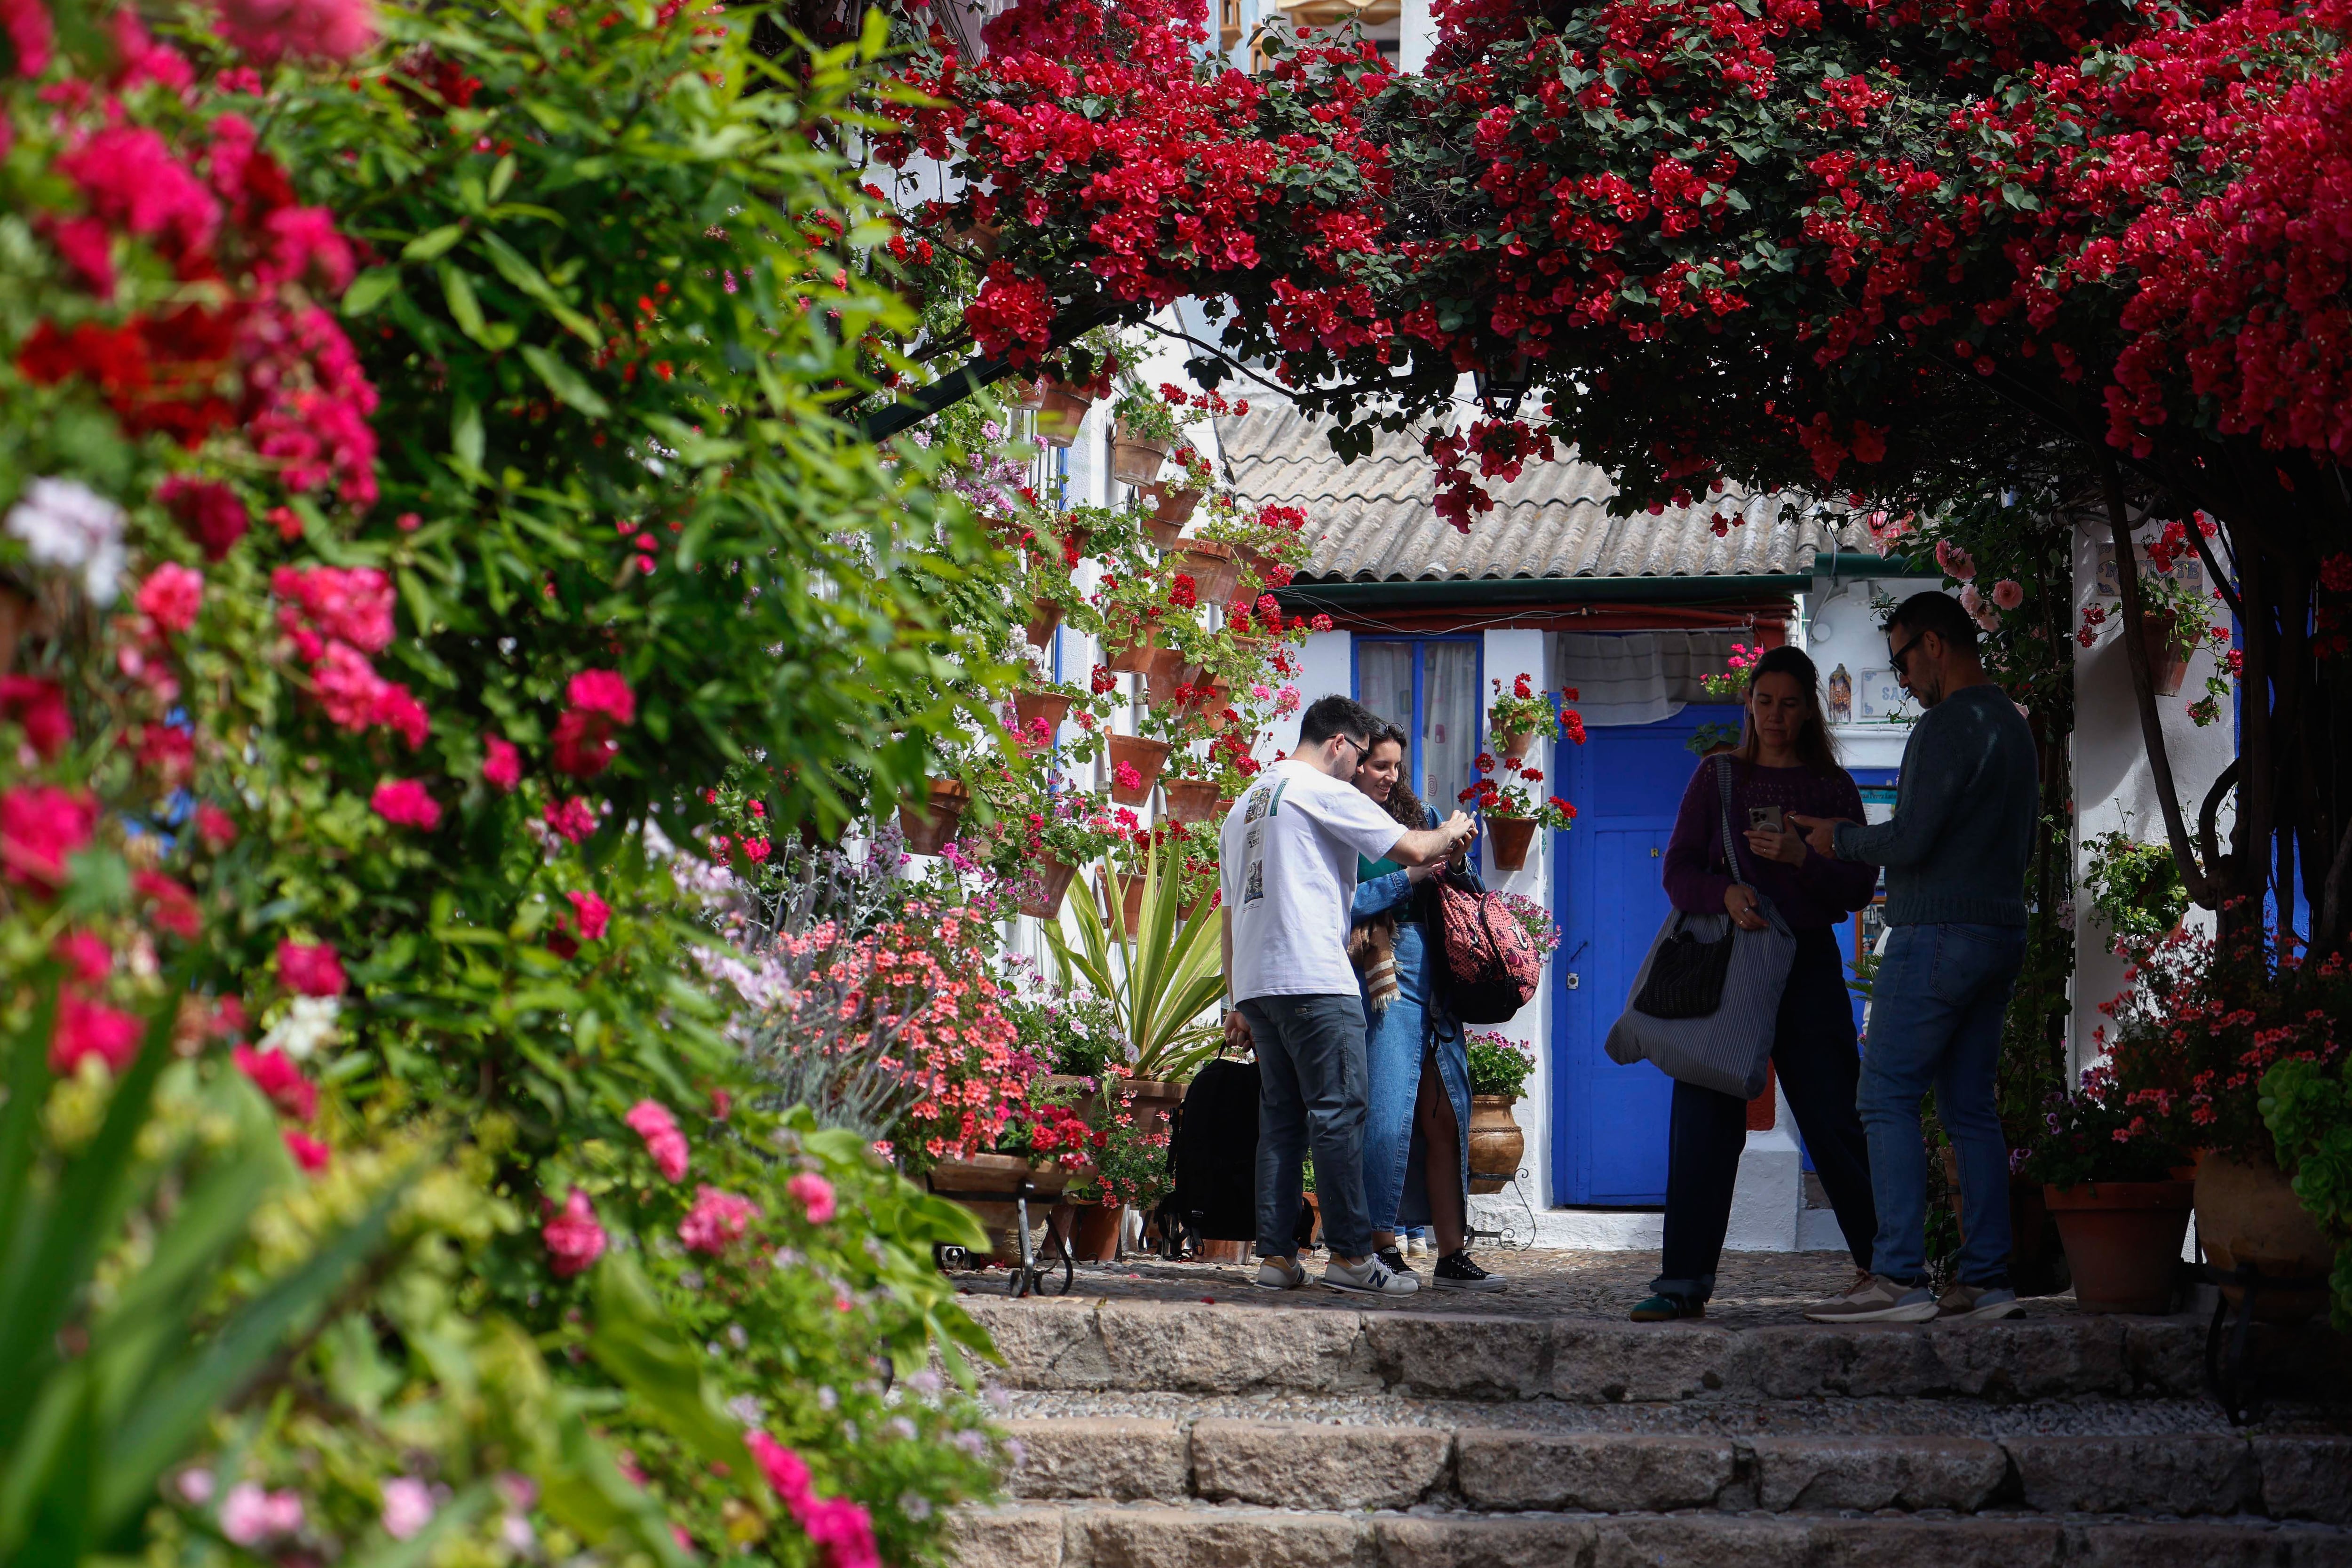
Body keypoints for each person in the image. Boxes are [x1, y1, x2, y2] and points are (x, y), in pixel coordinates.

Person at [1790, 591, 2040, 1325]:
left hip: (1937, 934)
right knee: (1970, 1107)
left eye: (1901, 660)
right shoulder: (2013, 727)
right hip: (2000, 932)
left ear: (1934, 643)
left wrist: (1841, 837)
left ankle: (1898, 1277)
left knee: (1885, 1097)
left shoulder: (1945, 725)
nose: (1901, 679)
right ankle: (1988, 1281)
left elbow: (1910, 842)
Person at [1631, 646, 1881, 1321]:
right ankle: (1682, 1283)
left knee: (1836, 1118)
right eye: (1764, 700)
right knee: (1704, 1125)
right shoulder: (1718, 777)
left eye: (1791, 702)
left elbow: (1859, 887)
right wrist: (1725, 894)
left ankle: (1885, 1270)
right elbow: (1678, 871)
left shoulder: (1832, 787)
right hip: (1729, 967)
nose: (1776, 715)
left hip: (1806, 965)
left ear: (1810, 709)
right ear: (1749, 703)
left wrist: (1804, 858)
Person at [1219, 695, 1479, 1296]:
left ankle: (1277, 1259)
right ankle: (1351, 1258)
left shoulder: (1244, 805)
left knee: (1282, 1124)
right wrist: (1453, 829)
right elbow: (1415, 851)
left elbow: (1229, 915)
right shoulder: (1319, 788)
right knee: (1339, 1117)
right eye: (1362, 756)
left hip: (1260, 984)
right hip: (1313, 976)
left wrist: (1236, 1001)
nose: (1364, 770)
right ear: (1339, 744)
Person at [1347, 723, 1506, 1291]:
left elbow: (1468, 889)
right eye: (1379, 766)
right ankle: (1379, 1246)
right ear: (1354, 765)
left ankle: (1451, 1254)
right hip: (1386, 982)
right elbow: (1347, 905)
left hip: (1439, 980)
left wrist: (1455, 858)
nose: (1390, 777)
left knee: (1446, 1119)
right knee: (1387, 1115)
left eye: (1395, 766)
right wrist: (1413, 872)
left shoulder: (1423, 813)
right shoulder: (1344, 825)